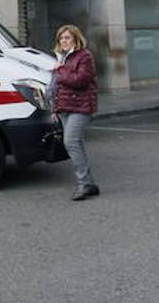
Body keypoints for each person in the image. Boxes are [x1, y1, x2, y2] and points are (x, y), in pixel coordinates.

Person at [51, 23, 99, 201]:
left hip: (82, 106)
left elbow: (81, 80)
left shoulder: (84, 56)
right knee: (76, 143)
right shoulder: (62, 58)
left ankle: (84, 184)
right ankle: (89, 183)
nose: (64, 41)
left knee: (70, 142)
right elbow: (56, 86)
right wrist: (55, 108)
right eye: (61, 38)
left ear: (76, 39)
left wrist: (60, 70)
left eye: (67, 37)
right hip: (65, 107)